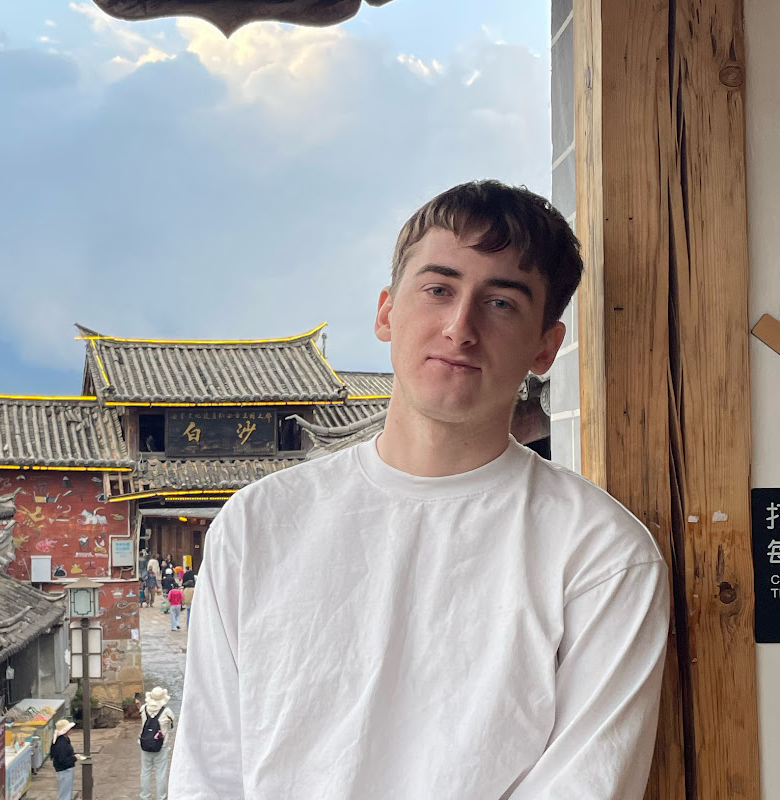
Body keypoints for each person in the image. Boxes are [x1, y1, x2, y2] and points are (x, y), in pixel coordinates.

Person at [169, 181, 669, 799]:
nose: (460, 327)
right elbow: (209, 770)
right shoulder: (259, 523)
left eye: (501, 303)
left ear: (546, 346)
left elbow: (585, 786)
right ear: (386, 312)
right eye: (438, 290)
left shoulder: (601, 554)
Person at [139, 686, 176, 800]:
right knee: (161, 773)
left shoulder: (143, 709)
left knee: (145, 771)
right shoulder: (167, 712)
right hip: (161, 746)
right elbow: (171, 725)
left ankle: (145, 796)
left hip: (145, 744)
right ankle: (161, 796)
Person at [52, 719, 77, 800]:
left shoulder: (62, 740)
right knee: (65, 793)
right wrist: (74, 758)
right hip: (64, 770)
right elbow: (62, 760)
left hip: (64, 770)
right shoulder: (61, 743)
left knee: (65, 792)